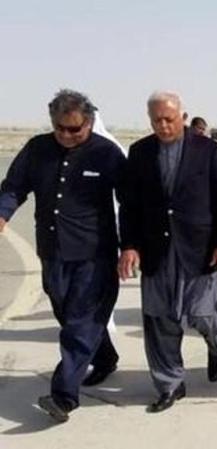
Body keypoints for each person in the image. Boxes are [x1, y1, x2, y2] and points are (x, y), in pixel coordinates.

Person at [0, 89, 126, 422]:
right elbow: (14, 187)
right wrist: (3, 214)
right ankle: (105, 357)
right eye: (60, 128)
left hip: (94, 255)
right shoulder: (37, 149)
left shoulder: (107, 153)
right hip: (53, 252)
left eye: (75, 129)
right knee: (68, 315)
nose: (66, 135)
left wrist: (131, 246)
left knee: (80, 324)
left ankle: (64, 396)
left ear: (89, 123)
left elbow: (131, 201)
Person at [118, 91, 217, 413]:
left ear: (182, 117)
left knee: (205, 314)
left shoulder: (207, 150)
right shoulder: (140, 152)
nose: (163, 125)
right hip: (156, 250)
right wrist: (129, 246)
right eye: (156, 120)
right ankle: (170, 384)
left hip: (199, 249)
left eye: (169, 119)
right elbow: (129, 205)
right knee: (159, 318)